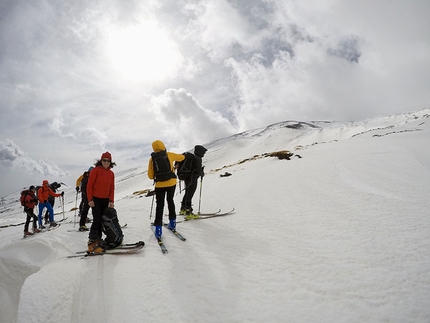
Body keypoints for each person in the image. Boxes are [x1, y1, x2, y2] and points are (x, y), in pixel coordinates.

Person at [147, 140, 184, 238]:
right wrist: (173, 167)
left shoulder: (152, 159)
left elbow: (150, 176)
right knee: (170, 201)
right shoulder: (169, 155)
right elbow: (182, 157)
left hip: (159, 185)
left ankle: (158, 229)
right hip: (171, 183)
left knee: (160, 205)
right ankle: (172, 224)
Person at [86, 152, 115, 253]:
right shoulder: (95, 170)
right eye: (104, 160)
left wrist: (111, 200)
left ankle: (98, 240)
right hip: (96, 199)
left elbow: (112, 188)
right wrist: (90, 199)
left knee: (102, 220)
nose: (106, 162)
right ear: (101, 161)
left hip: (105, 199)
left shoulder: (111, 173)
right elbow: (89, 186)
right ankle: (91, 243)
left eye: (108, 161)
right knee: (96, 220)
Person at [180, 145, 207, 219]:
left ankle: (183, 209)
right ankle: (189, 213)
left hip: (187, 178)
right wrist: (201, 173)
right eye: (203, 152)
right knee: (190, 194)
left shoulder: (192, 158)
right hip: (193, 179)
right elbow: (198, 170)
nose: (204, 154)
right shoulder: (198, 159)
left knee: (187, 193)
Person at [75, 167, 93, 231]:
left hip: (84, 193)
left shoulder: (84, 175)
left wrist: (77, 186)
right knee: (88, 206)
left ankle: (82, 223)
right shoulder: (89, 175)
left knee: (84, 204)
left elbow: (78, 180)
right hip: (89, 194)